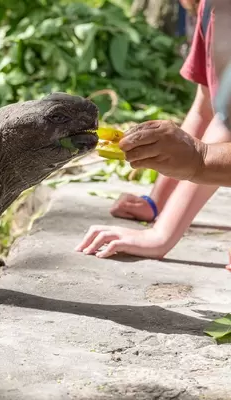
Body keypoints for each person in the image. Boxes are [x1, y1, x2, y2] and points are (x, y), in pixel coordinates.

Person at [76, 0, 231, 271]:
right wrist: (156, 203)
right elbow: (210, 111)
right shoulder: (212, 10)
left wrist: (161, 235)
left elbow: (217, 137)